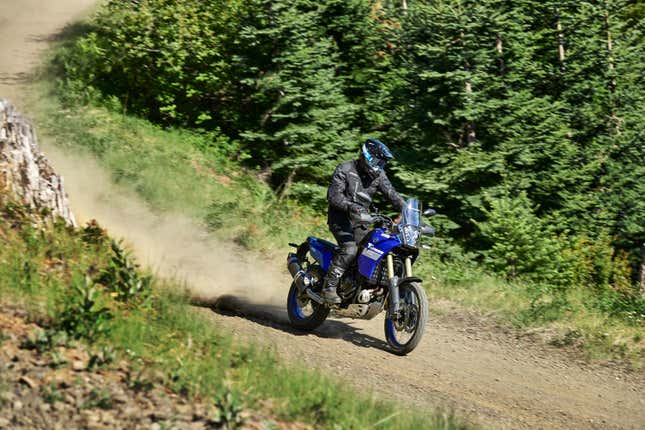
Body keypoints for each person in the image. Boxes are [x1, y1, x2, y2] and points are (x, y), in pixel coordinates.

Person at [322, 138, 406, 304]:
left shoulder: (379, 175)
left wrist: (409, 212)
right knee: (350, 249)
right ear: (367, 156)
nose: (380, 165)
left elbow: (393, 196)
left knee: (376, 247)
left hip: (361, 222)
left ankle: (363, 285)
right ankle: (328, 287)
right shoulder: (345, 168)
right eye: (378, 161)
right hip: (340, 219)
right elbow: (334, 196)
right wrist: (351, 206)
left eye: (382, 163)